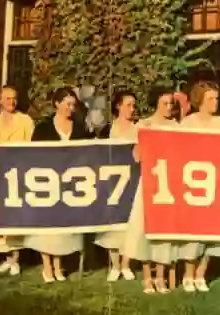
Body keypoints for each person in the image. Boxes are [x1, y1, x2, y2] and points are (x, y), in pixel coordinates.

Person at [26, 87, 92, 283]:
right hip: (48, 183)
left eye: (73, 105)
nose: (71, 108)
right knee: (48, 227)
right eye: (67, 104)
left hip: (70, 184)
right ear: (56, 104)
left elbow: (86, 153)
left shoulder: (79, 127)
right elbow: (34, 154)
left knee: (64, 227)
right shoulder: (43, 128)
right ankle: (47, 267)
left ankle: (58, 266)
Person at [123, 90, 181, 294]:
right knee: (145, 229)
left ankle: (161, 277)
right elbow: (136, 156)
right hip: (149, 183)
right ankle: (147, 277)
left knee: (164, 232)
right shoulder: (144, 125)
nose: (168, 107)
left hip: (168, 185)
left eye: (171, 103)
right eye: (164, 103)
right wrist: (144, 140)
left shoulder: (176, 127)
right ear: (156, 103)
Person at [179, 81, 220, 292]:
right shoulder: (188, 123)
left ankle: (202, 273)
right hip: (194, 184)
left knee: (211, 231)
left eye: (217, 98)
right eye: (211, 98)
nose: (215, 102)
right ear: (200, 100)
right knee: (193, 231)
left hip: (216, 182)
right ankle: (188, 273)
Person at [0, 85, 35, 276]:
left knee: (16, 215)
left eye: (14, 98)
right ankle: (6, 257)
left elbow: (31, 146)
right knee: (1, 215)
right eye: (7, 99)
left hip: (19, 171)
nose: (11, 102)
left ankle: (15, 259)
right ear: (0, 100)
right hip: (0, 172)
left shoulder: (25, 120)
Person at [94, 90, 137, 282]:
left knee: (129, 224)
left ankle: (127, 264)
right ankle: (115, 265)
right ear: (118, 106)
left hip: (131, 182)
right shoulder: (107, 129)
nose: (132, 109)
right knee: (111, 225)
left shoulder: (138, 128)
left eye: (134, 105)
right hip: (111, 182)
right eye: (128, 105)